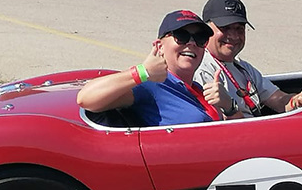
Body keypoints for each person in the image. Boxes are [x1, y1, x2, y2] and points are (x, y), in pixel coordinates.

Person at [77, 10, 231, 127]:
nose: (191, 43)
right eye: (181, 36)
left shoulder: (202, 90)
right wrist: (142, 72)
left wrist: (229, 107)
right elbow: (85, 99)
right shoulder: (150, 86)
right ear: (160, 46)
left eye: (200, 38)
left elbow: (239, 139)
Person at [194, 0, 302, 117]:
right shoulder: (202, 70)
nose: (234, 36)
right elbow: (227, 129)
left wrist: (299, 100)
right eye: (225, 28)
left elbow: (280, 101)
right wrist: (229, 106)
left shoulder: (243, 68)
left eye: (239, 29)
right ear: (206, 30)